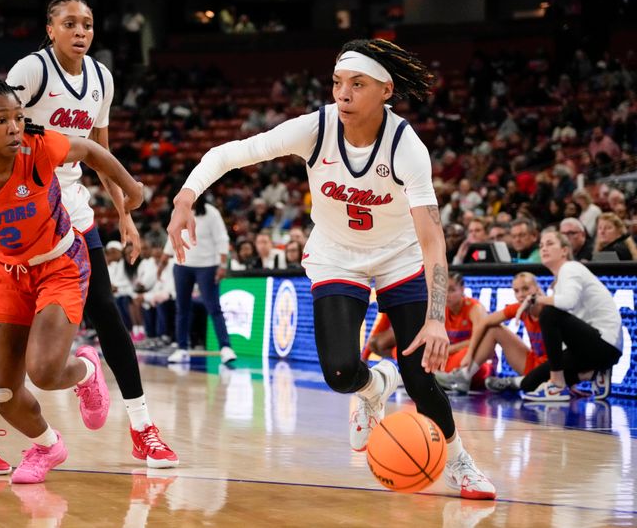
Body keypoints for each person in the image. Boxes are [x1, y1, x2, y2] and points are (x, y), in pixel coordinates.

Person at [167, 38, 495, 499]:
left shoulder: (406, 146)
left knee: (420, 375)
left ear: (385, 90)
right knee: (340, 372)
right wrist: (185, 197)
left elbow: (432, 239)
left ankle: (460, 462)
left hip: (399, 256)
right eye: (338, 82)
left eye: (357, 84)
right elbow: (230, 153)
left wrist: (437, 315)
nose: (343, 94)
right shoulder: (315, 128)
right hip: (337, 255)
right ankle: (373, 386)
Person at [0, 0, 178, 475]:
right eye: (69, 23)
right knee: (9, 330)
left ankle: (143, 431)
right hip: (27, 213)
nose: (81, 31)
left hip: (73, 212)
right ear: (49, 29)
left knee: (109, 316)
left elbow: (99, 150)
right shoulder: (31, 71)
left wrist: (123, 213)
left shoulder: (102, 78)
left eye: (88, 24)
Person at [0, 71, 143, 483]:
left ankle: (86, 371)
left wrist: (132, 188)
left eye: (18, 117)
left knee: (42, 371)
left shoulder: (38, 149)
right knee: (3, 393)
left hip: (60, 264)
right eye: (1, 120)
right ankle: (47, 446)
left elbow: (91, 150)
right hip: (6, 275)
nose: (14, 127)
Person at [521, 230, 622, 401]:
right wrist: (571, 378)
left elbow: (568, 302)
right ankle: (591, 374)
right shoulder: (559, 282)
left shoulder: (570, 268)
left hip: (604, 343)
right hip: (585, 346)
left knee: (548, 311)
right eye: (541, 246)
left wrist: (535, 299)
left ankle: (557, 385)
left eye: (550, 243)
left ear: (564, 250)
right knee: (529, 384)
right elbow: (564, 332)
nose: (544, 248)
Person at [446, 272, 549, 393]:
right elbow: (485, 323)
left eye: (525, 289)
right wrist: (470, 354)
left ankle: (517, 382)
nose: (521, 295)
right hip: (533, 363)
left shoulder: (550, 310)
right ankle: (464, 376)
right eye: (516, 291)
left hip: (553, 369)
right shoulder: (518, 308)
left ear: (538, 288)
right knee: (493, 328)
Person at [163, 196, 236, 364]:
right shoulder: (177, 211)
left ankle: (226, 347)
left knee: (213, 307)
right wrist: (163, 260)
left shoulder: (211, 213)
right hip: (182, 265)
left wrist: (223, 264)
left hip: (207, 266)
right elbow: (171, 236)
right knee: (182, 308)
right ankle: (182, 348)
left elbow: (222, 239)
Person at [433, 273, 491, 392]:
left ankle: (440, 376)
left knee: (469, 354)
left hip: (471, 359)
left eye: (451, 290)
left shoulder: (475, 308)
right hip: (450, 357)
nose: (446, 295)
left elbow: (484, 341)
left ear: (462, 289)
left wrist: (451, 349)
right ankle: (441, 377)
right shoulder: (439, 309)